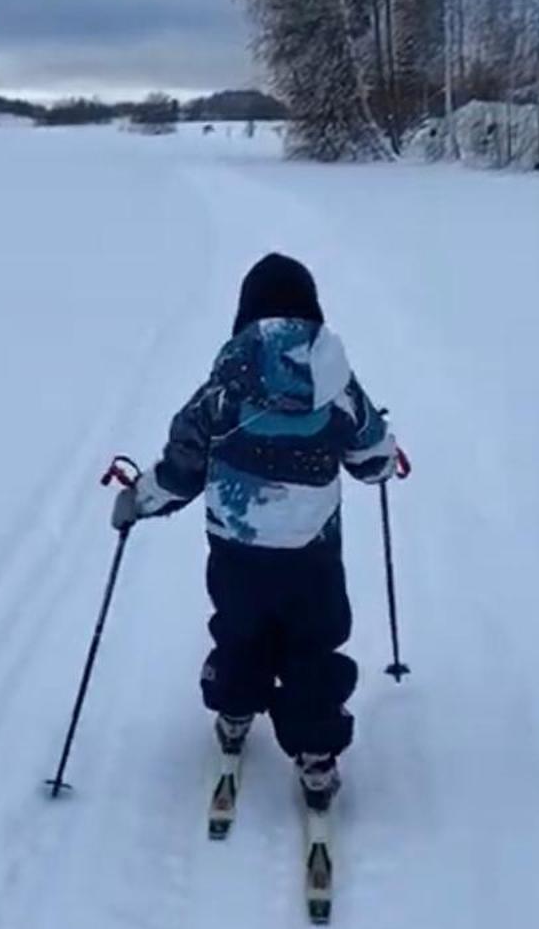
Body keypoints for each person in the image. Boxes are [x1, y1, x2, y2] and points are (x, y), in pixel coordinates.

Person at [111, 252, 399, 815]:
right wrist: (385, 462)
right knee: (313, 644)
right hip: (312, 552)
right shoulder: (335, 382)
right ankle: (316, 754)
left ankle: (235, 710)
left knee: (241, 630)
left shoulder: (224, 384)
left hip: (236, 548)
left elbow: (182, 468)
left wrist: (137, 501)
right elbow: (371, 453)